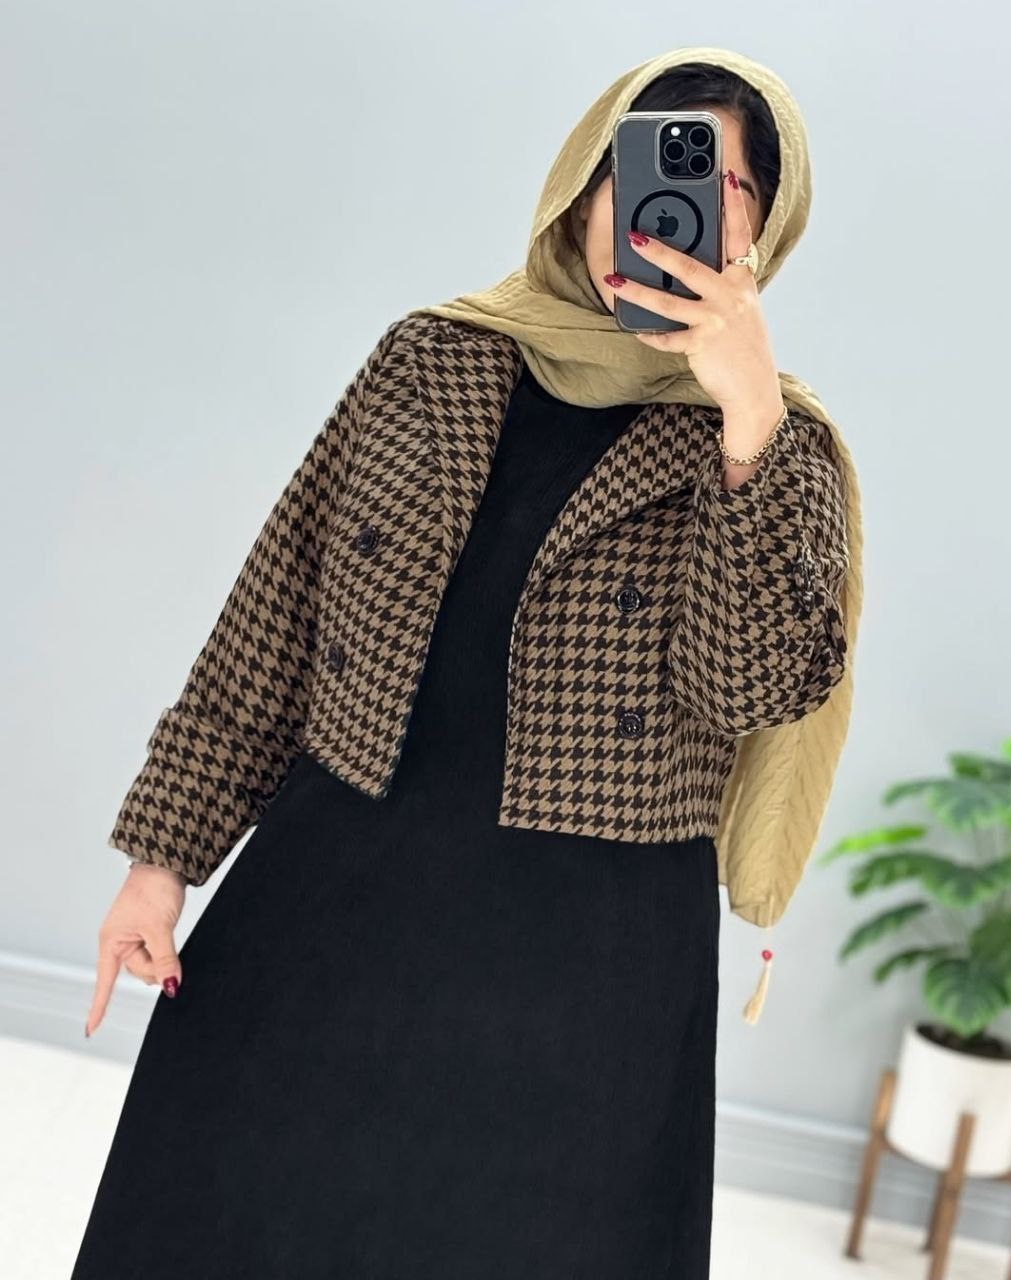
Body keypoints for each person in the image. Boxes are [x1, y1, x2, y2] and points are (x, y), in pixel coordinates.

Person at [72, 45, 863, 1280]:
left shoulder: (777, 445)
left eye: (726, 188)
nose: (671, 209)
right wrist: (160, 862)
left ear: (760, 235)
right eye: (647, 164)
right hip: (335, 892)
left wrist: (745, 424)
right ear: (584, 185)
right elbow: (272, 620)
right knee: (223, 1220)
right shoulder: (429, 358)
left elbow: (749, 686)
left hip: (585, 967)